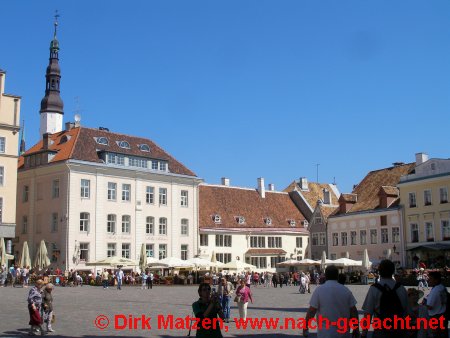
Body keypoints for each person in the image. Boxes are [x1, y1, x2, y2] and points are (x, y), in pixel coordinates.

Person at [304, 265, 359, 338]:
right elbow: (353, 311)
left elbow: (312, 311)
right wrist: (356, 328)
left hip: (325, 333)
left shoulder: (319, 290)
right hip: (343, 333)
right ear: (337, 276)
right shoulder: (346, 290)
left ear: (325, 276)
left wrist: (305, 326)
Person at [361, 259, 408, 338]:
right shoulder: (401, 288)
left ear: (379, 271)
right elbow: (407, 312)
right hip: (399, 329)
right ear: (393, 271)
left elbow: (368, 314)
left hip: (381, 329)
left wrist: (364, 333)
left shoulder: (374, 289)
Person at [422, 271, 447, 338]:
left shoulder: (436, 290)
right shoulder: (442, 287)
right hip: (442, 314)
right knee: (443, 334)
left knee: (435, 335)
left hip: (435, 316)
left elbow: (430, 306)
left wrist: (423, 304)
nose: (428, 280)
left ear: (436, 280)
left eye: (430, 279)